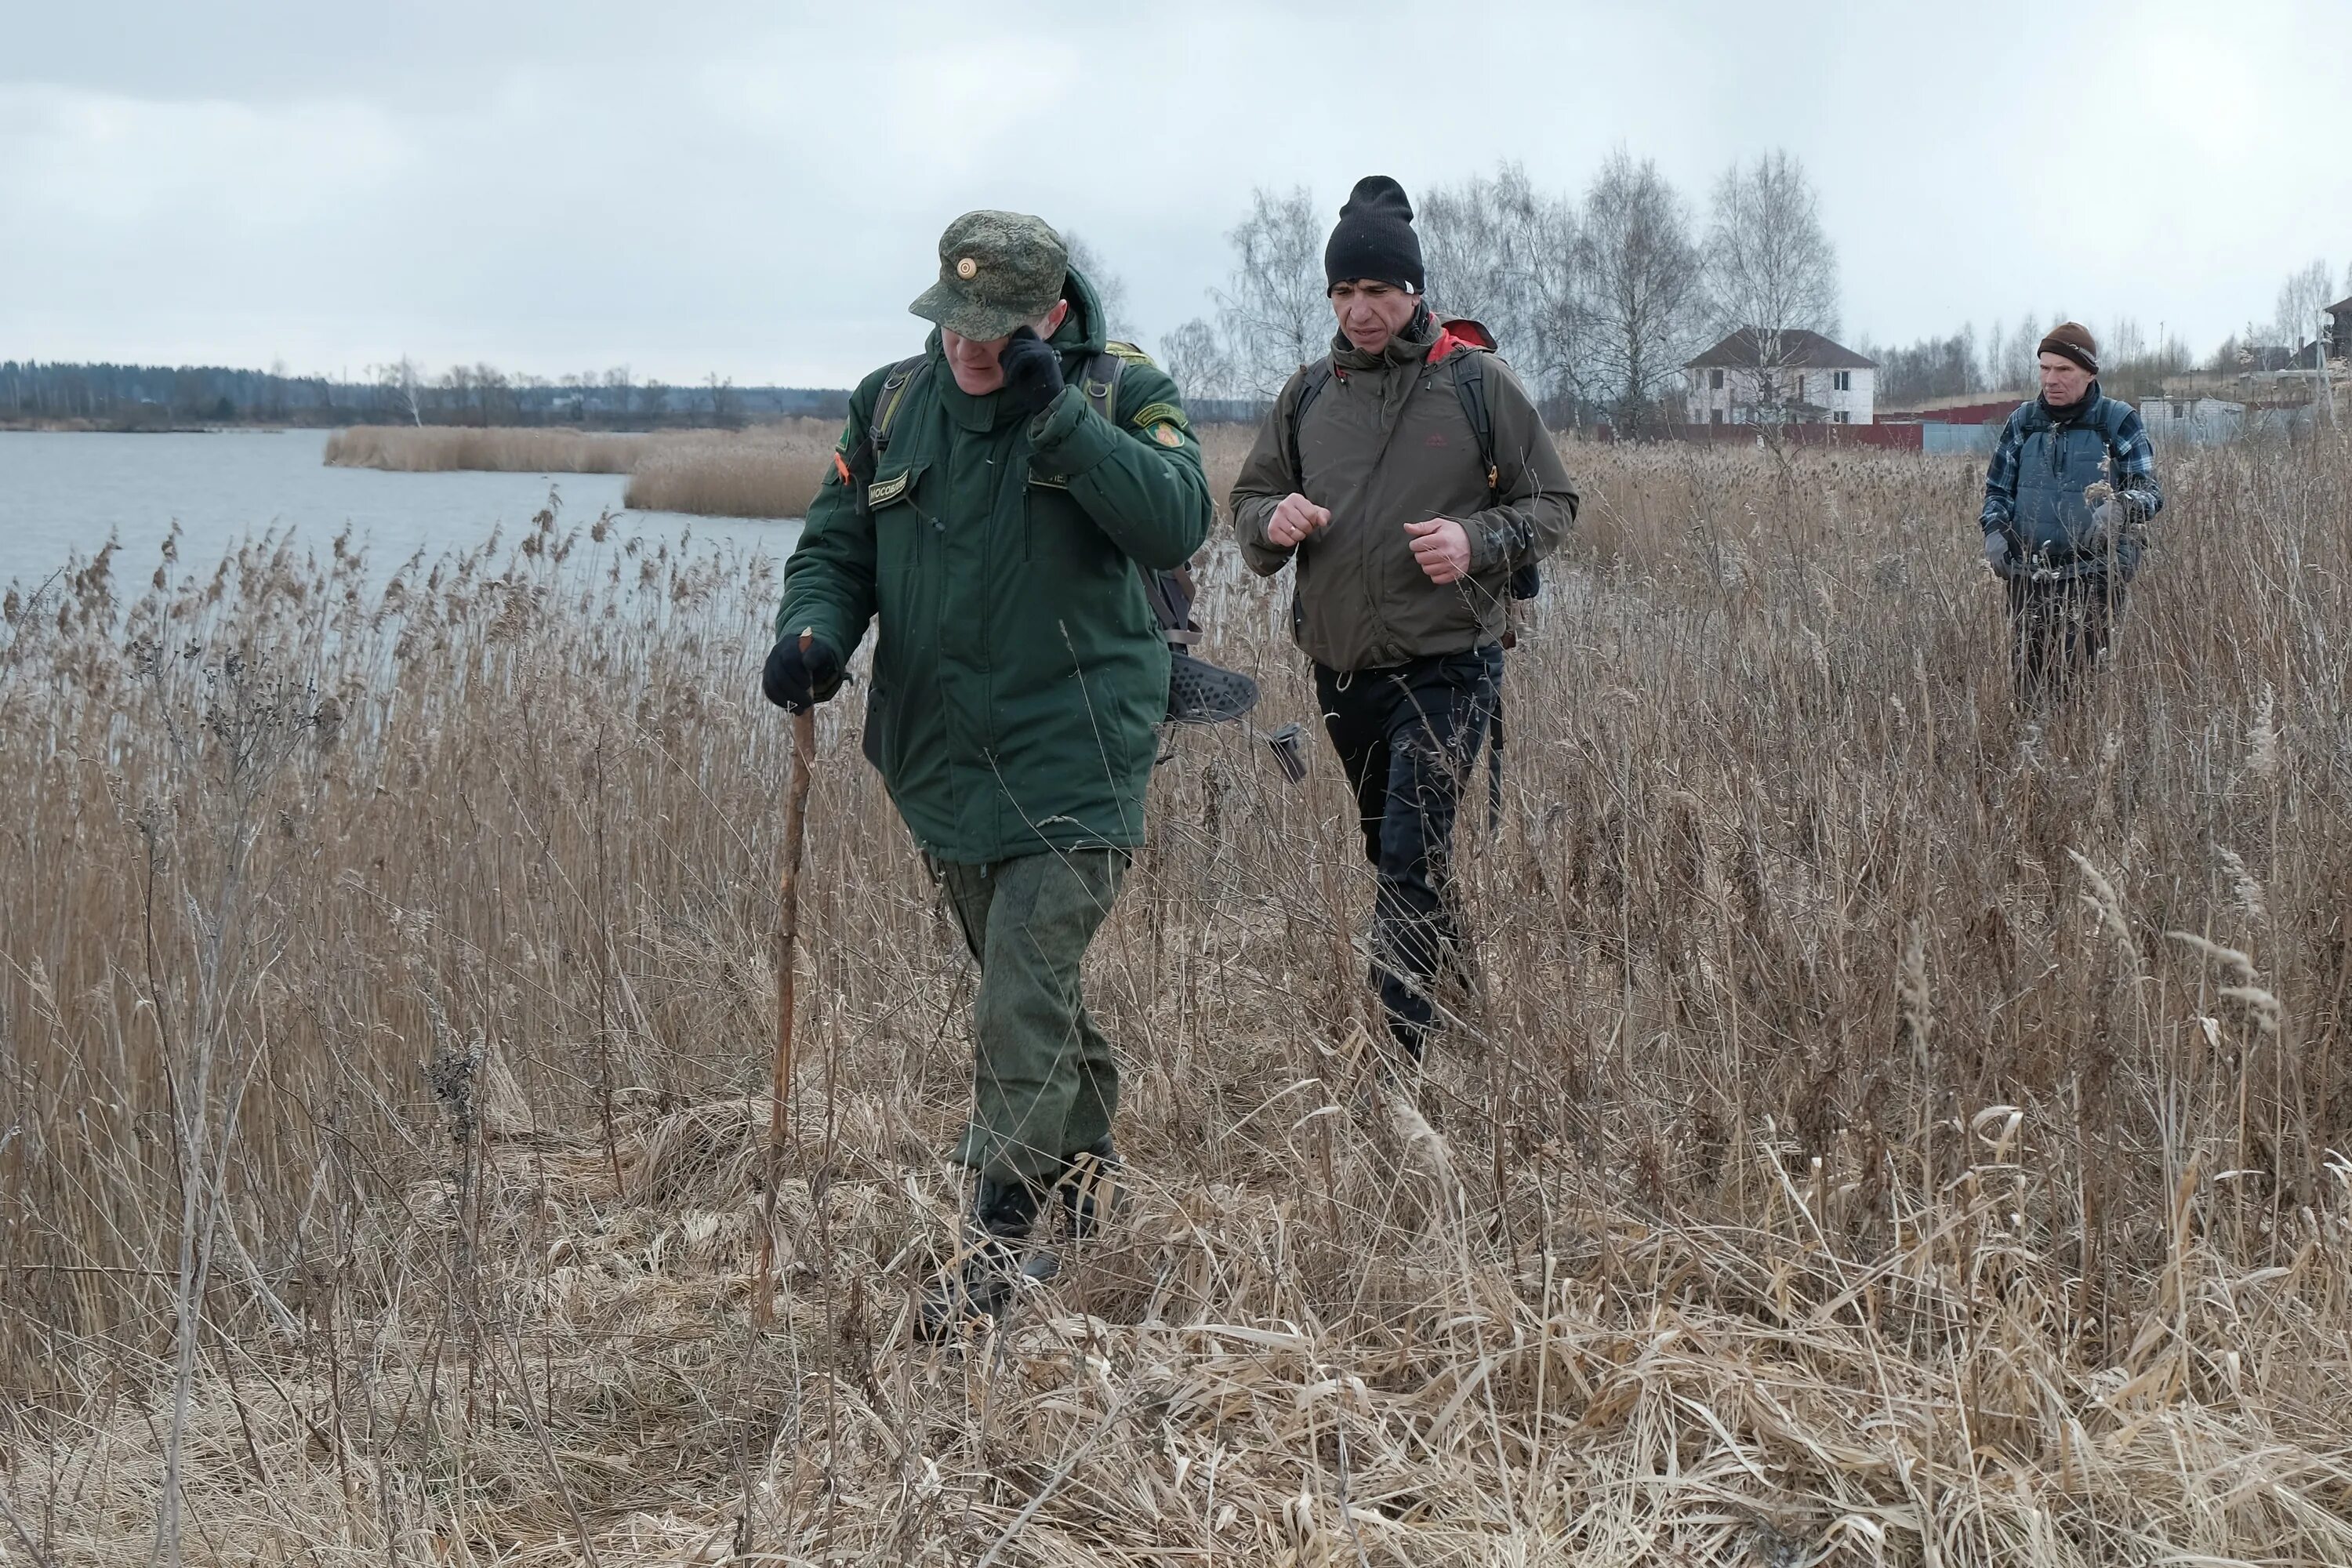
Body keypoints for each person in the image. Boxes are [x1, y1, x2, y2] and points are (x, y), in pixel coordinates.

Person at [764, 211, 1214, 1334]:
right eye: (953, 324)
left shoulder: (1118, 392)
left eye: (995, 329)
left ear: (1050, 317)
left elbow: (1175, 521)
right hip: (942, 757)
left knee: (1020, 982)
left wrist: (1054, 414)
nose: (969, 349)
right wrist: (816, 635)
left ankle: (1000, 1242)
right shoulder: (892, 406)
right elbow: (836, 548)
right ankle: (1091, 1174)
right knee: (1035, 989)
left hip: (1080, 746)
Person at [1229, 176, 1578, 1064]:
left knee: (1408, 857)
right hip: (1344, 667)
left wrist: (1475, 539)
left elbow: (1556, 503)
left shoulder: (1475, 384)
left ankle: (1402, 1067)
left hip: (1450, 660)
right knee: (1396, 855)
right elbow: (1251, 501)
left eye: (1377, 290)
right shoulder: (1308, 396)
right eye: (1343, 292)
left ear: (1413, 291)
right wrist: (1270, 524)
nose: (1359, 309)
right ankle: (1460, 997)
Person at [1979, 322, 2163, 699]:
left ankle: (2082, 755)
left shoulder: (2117, 420)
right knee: (2029, 690)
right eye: (2045, 368)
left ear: (2089, 373)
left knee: (2081, 687)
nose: (2051, 379)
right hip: (2028, 575)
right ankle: (2030, 754)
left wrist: (2120, 507)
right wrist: (1994, 530)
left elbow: (2150, 493)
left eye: (2064, 370)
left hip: (2094, 575)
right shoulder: (2023, 422)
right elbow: (1997, 490)